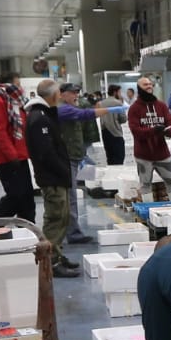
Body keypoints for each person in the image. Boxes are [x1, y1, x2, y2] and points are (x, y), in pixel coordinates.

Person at [23, 78, 102, 277]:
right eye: (59, 91)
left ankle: (56, 254)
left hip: (57, 176)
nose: (60, 94)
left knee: (62, 217)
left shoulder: (45, 114)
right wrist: (62, 171)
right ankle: (50, 262)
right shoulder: (39, 117)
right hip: (52, 178)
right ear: (53, 94)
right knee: (55, 219)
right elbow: (45, 153)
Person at [0, 75, 38, 223]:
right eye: (17, 84)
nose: (20, 88)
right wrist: (12, 155)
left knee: (27, 197)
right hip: (7, 159)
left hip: (20, 157)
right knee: (16, 196)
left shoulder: (15, 103)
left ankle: (29, 231)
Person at [55, 85, 96, 244]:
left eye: (77, 92)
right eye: (73, 93)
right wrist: (111, 110)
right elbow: (87, 114)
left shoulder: (73, 107)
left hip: (75, 156)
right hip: (67, 159)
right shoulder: (63, 110)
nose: (76, 95)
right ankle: (72, 234)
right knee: (70, 197)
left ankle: (72, 232)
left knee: (70, 196)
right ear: (62, 94)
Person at [127, 76, 171, 201]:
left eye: (150, 84)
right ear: (139, 88)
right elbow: (136, 131)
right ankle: (148, 213)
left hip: (162, 153)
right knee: (145, 185)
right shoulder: (134, 108)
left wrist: (169, 131)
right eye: (145, 84)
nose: (149, 86)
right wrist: (154, 130)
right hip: (143, 155)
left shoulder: (161, 105)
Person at [99, 90, 127, 167]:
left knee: (110, 157)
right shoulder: (118, 103)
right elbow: (123, 119)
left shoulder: (101, 103)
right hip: (115, 132)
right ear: (115, 92)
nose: (121, 94)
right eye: (120, 92)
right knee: (119, 157)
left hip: (105, 131)